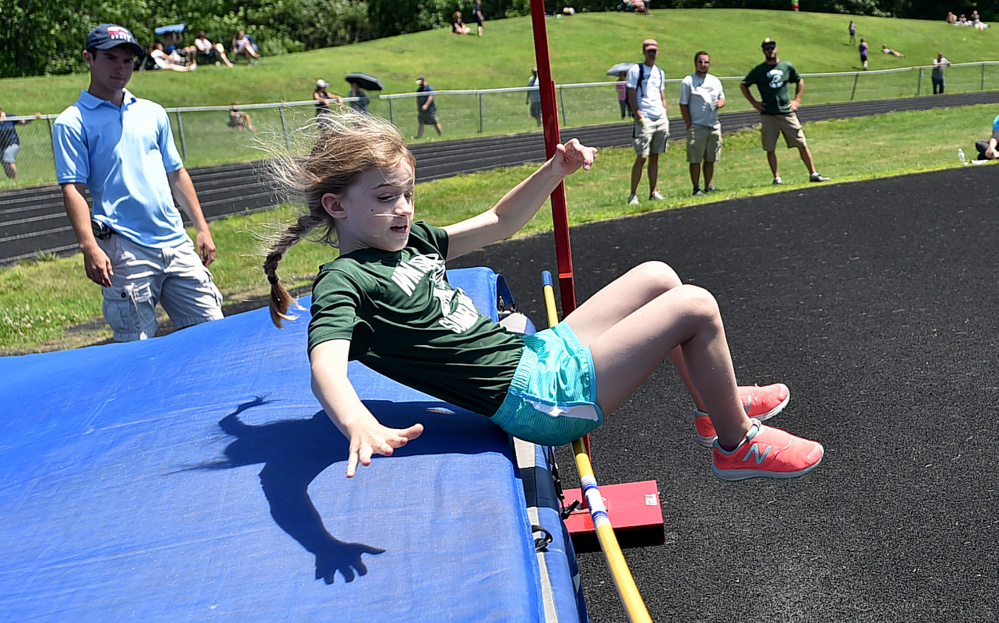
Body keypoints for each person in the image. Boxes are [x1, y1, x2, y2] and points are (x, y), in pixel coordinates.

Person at [261, 109, 825, 482]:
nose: (405, 209)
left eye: (407, 194)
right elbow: (325, 367)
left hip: (536, 358)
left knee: (659, 275)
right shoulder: (346, 281)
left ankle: (712, 407)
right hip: (537, 401)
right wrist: (356, 420)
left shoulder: (412, 242)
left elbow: (500, 221)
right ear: (337, 207)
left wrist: (555, 170)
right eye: (387, 198)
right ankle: (735, 443)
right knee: (694, 306)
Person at [52, 24, 224, 342]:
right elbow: (72, 188)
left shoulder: (152, 113)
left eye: (128, 61)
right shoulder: (72, 122)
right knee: (136, 348)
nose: (120, 68)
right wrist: (89, 245)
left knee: (212, 334)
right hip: (125, 251)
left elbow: (176, 173)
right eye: (111, 58)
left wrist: (201, 225)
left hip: (176, 242)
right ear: (88, 58)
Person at [740, 38, 830, 185]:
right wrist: (754, 103)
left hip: (786, 112)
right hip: (768, 114)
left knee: (801, 142)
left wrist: (797, 100)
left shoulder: (786, 66)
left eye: (772, 47)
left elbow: (799, 80)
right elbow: (744, 85)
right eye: (767, 48)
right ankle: (777, 177)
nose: (770, 50)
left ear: (777, 48)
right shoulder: (758, 70)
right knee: (770, 147)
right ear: (763, 51)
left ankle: (813, 173)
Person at [625, 39, 669, 206]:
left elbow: (661, 94)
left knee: (655, 156)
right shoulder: (636, 70)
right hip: (646, 118)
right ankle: (633, 194)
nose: (652, 53)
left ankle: (653, 191)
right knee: (642, 156)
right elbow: (631, 94)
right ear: (644, 52)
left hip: (660, 116)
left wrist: (665, 112)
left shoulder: (660, 72)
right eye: (649, 50)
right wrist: (639, 116)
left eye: (654, 50)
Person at [679, 51, 725, 197]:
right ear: (695, 63)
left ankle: (709, 185)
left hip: (713, 125)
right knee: (695, 159)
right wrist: (689, 123)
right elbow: (683, 104)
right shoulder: (688, 81)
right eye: (700, 62)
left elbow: (722, 97)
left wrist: (721, 103)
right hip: (697, 126)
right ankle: (696, 187)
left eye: (706, 62)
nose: (703, 65)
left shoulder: (715, 81)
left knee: (711, 158)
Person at [0, 106, 42, 180]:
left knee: (7, 159)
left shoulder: (10, 117)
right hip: (1, 146)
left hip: (12, 143)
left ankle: (15, 179)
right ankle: (12, 181)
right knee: (5, 164)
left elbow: (23, 121)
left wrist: (33, 116)